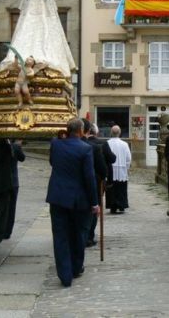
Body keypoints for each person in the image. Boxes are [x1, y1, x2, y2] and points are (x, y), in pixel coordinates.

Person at [46, 118, 99, 287]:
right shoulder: (85, 149)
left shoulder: (56, 144)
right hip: (79, 199)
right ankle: (76, 267)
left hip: (58, 196)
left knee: (60, 236)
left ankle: (64, 274)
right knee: (78, 234)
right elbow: (89, 178)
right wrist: (94, 202)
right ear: (81, 130)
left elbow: (52, 162)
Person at [82, 120, 115, 246]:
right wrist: (105, 175)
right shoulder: (100, 144)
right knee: (95, 207)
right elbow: (108, 162)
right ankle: (89, 235)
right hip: (96, 181)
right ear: (95, 132)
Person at [105, 125, 132, 214]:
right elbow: (128, 158)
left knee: (111, 189)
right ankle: (121, 205)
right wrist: (127, 168)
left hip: (110, 170)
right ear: (119, 133)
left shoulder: (107, 143)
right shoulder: (124, 144)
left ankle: (112, 206)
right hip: (121, 169)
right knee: (121, 188)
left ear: (111, 133)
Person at [4, 140, 26, 239]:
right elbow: (22, 158)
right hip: (13, 181)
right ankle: (7, 231)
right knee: (11, 208)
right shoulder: (16, 147)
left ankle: (1, 229)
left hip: (2, 181)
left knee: (2, 208)